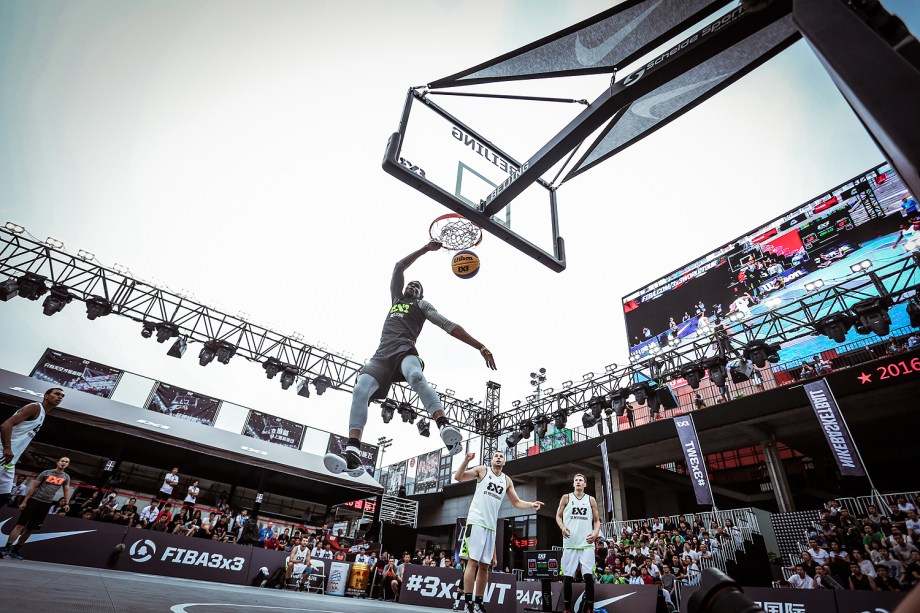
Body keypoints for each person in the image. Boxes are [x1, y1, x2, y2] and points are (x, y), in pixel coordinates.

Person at [324, 241, 496, 476]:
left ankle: (443, 424)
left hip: (406, 351)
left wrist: (480, 346)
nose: (413, 286)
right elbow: (398, 268)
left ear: (421, 294)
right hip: (382, 356)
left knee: (416, 376)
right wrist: (426, 249)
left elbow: (448, 325)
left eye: (417, 287)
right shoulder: (396, 300)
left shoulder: (422, 305)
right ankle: (352, 451)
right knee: (360, 389)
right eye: (411, 284)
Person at [455, 451, 543, 613]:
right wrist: (466, 460)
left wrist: (531, 504)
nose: (498, 457)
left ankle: (478, 602)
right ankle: (467, 602)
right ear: (491, 459)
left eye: (501, 456)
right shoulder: (482, 470)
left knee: (484, 567)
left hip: (490, 526)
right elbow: (458, 477)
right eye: (496, 455)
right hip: (476, 521)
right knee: (472, 562)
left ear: (504, 462)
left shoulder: (506, 480)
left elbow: (516, 502)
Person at [0, 387, 64, 507]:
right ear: (46, 396)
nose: (60, 397)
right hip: (2, 453)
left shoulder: (43, 414)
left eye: (62, 396)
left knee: (4, 497)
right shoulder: (34, 407)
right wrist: (7, 448)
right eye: (57, 394)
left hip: (10, 462)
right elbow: (5, 425)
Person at [0, 456, 71, 560]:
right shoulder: (46, 473)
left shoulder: (66, 477)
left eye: (66, 462)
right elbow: (33, 486)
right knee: (20, 525)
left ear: (68, 464)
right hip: (34, 501)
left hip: (46, 504)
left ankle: (15, 551)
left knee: (30, 529)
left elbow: (66, 490)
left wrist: (67, 503)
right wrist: (24, 501)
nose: (63, 463)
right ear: (58, 462)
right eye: (62, 461)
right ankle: (6, 549)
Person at [556, 473, 600, 613]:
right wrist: (562, 527)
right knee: (567, 577)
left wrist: (595, 533)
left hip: (586, 543)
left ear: (585, 484)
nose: (578, 482)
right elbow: (558, 516)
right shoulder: (566, 497)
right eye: (576, 480)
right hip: (570, 543)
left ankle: (589, 609)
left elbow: (596, 520)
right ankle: (567, 609)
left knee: (588, 576)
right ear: (573, 484)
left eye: (581, 480)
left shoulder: (591, 499)